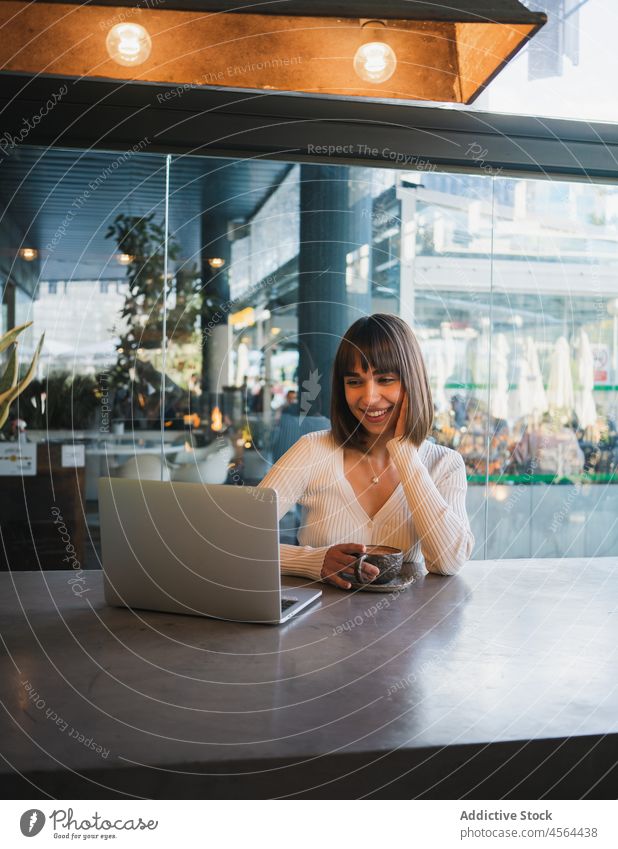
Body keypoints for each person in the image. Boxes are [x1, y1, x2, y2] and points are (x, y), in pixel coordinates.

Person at [257, 314, 474, 589]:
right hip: (315, 628)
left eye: (385, 379)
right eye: (355, 382)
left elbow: (449, 562)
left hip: (408, 628)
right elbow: (236, 538)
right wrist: (313, 561)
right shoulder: (313, 450)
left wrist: (405, 455)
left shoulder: (445, 464)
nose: (369, 397)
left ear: (412, 383)